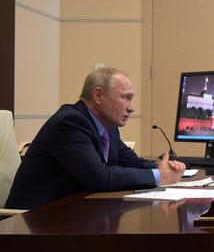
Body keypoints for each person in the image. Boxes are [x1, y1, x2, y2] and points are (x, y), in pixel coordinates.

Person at [5, 68, 186, 209]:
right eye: (126, 98)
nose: (131, 108)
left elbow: (130, 160)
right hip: (33, 220)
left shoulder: (109, 127)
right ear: (98, 95)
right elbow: (99, 177)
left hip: (71, 213)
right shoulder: (69, 122)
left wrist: (165, 168)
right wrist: (158, 176)